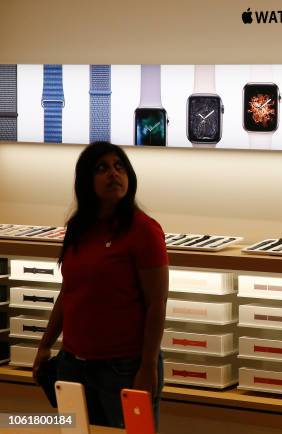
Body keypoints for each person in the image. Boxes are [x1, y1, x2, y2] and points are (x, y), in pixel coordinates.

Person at [33, 142, 169, 429]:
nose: (113, 174)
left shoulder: (144, 230)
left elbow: (156, 303)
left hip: (124, 368)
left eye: (119, 167)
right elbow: (69, 291)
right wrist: (45, 345)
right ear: (86, 179)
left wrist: (147, 367)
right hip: (73, 365)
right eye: (102, 168)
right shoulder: (78, 227)